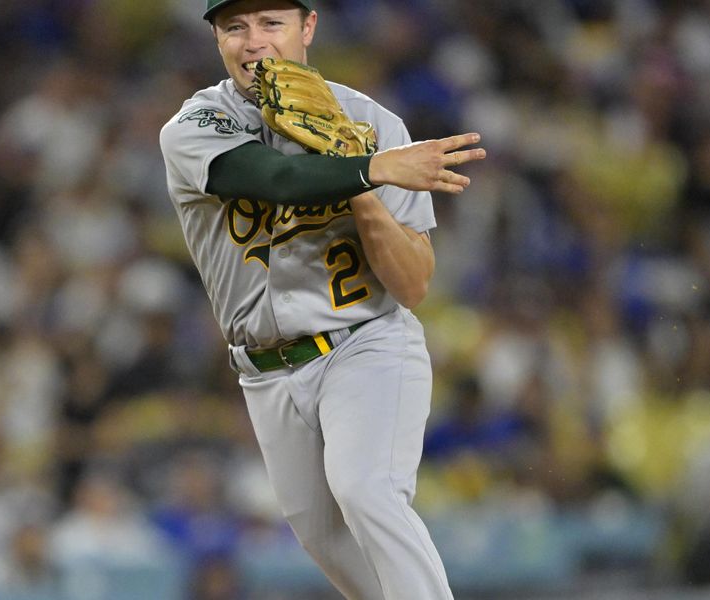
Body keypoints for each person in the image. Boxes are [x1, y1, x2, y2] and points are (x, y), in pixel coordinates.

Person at [159, 0, 485, 597]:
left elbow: (412, 285)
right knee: (321, 536)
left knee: (367, 491)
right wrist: (368, 169)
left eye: (271, 23)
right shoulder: (194, 124)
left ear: (308, 27)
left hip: (364, 344)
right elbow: (275, 179)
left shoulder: (374, 124)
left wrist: (357, 173)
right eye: (234, 26)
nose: (253, 41)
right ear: (216, 39)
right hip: (263, 370)